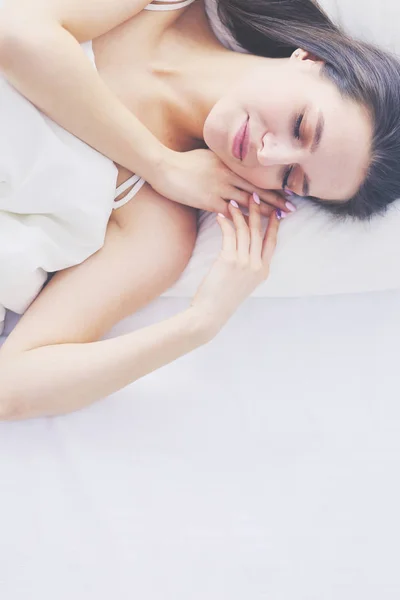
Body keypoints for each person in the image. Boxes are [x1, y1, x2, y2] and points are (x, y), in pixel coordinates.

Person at [0, 0, 399, 419]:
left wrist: (199, 324)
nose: (268, 154)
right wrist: (159, 163)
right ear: (310, 58)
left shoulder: (157, 230)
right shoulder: (163, 7)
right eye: (301, 125)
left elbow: (10, 388)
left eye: (288, 177)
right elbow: (15, 34)